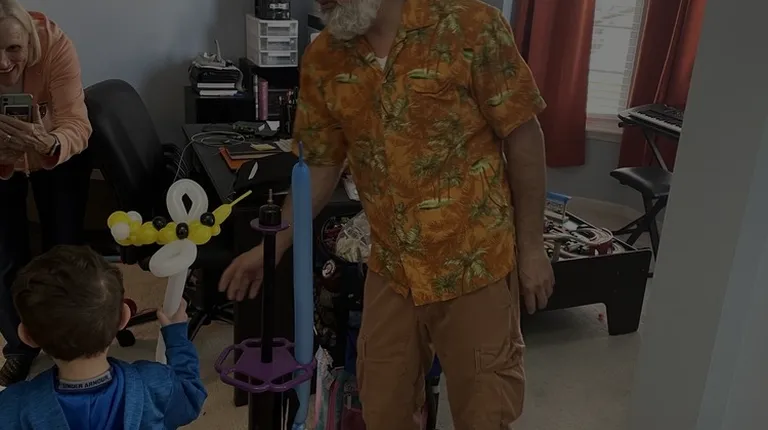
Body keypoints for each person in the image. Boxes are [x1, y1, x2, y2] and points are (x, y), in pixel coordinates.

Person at [219, 0, 554, 428]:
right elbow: (320, 166)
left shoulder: (472, 25)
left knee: (486, 413)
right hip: (392, 269)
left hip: (475, 266)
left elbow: (523, 136)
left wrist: (532, 248)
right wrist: (275, 244)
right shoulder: (324, 57)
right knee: (381, 408)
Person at [0, 245, 207, 429]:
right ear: (124, 317)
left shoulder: (13, 407)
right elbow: (191, 394)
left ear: (26, 336)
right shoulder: (157, 384)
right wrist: (177, 339)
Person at [0, 1, 92, 386]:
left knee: (63, 250)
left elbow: (77, 123)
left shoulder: (54, 43)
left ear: (28, 39)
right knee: (4, 255)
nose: (3, 63)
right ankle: (19, 347)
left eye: (13, 49)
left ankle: (68, 341)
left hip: (54, 148)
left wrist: (49, 143)